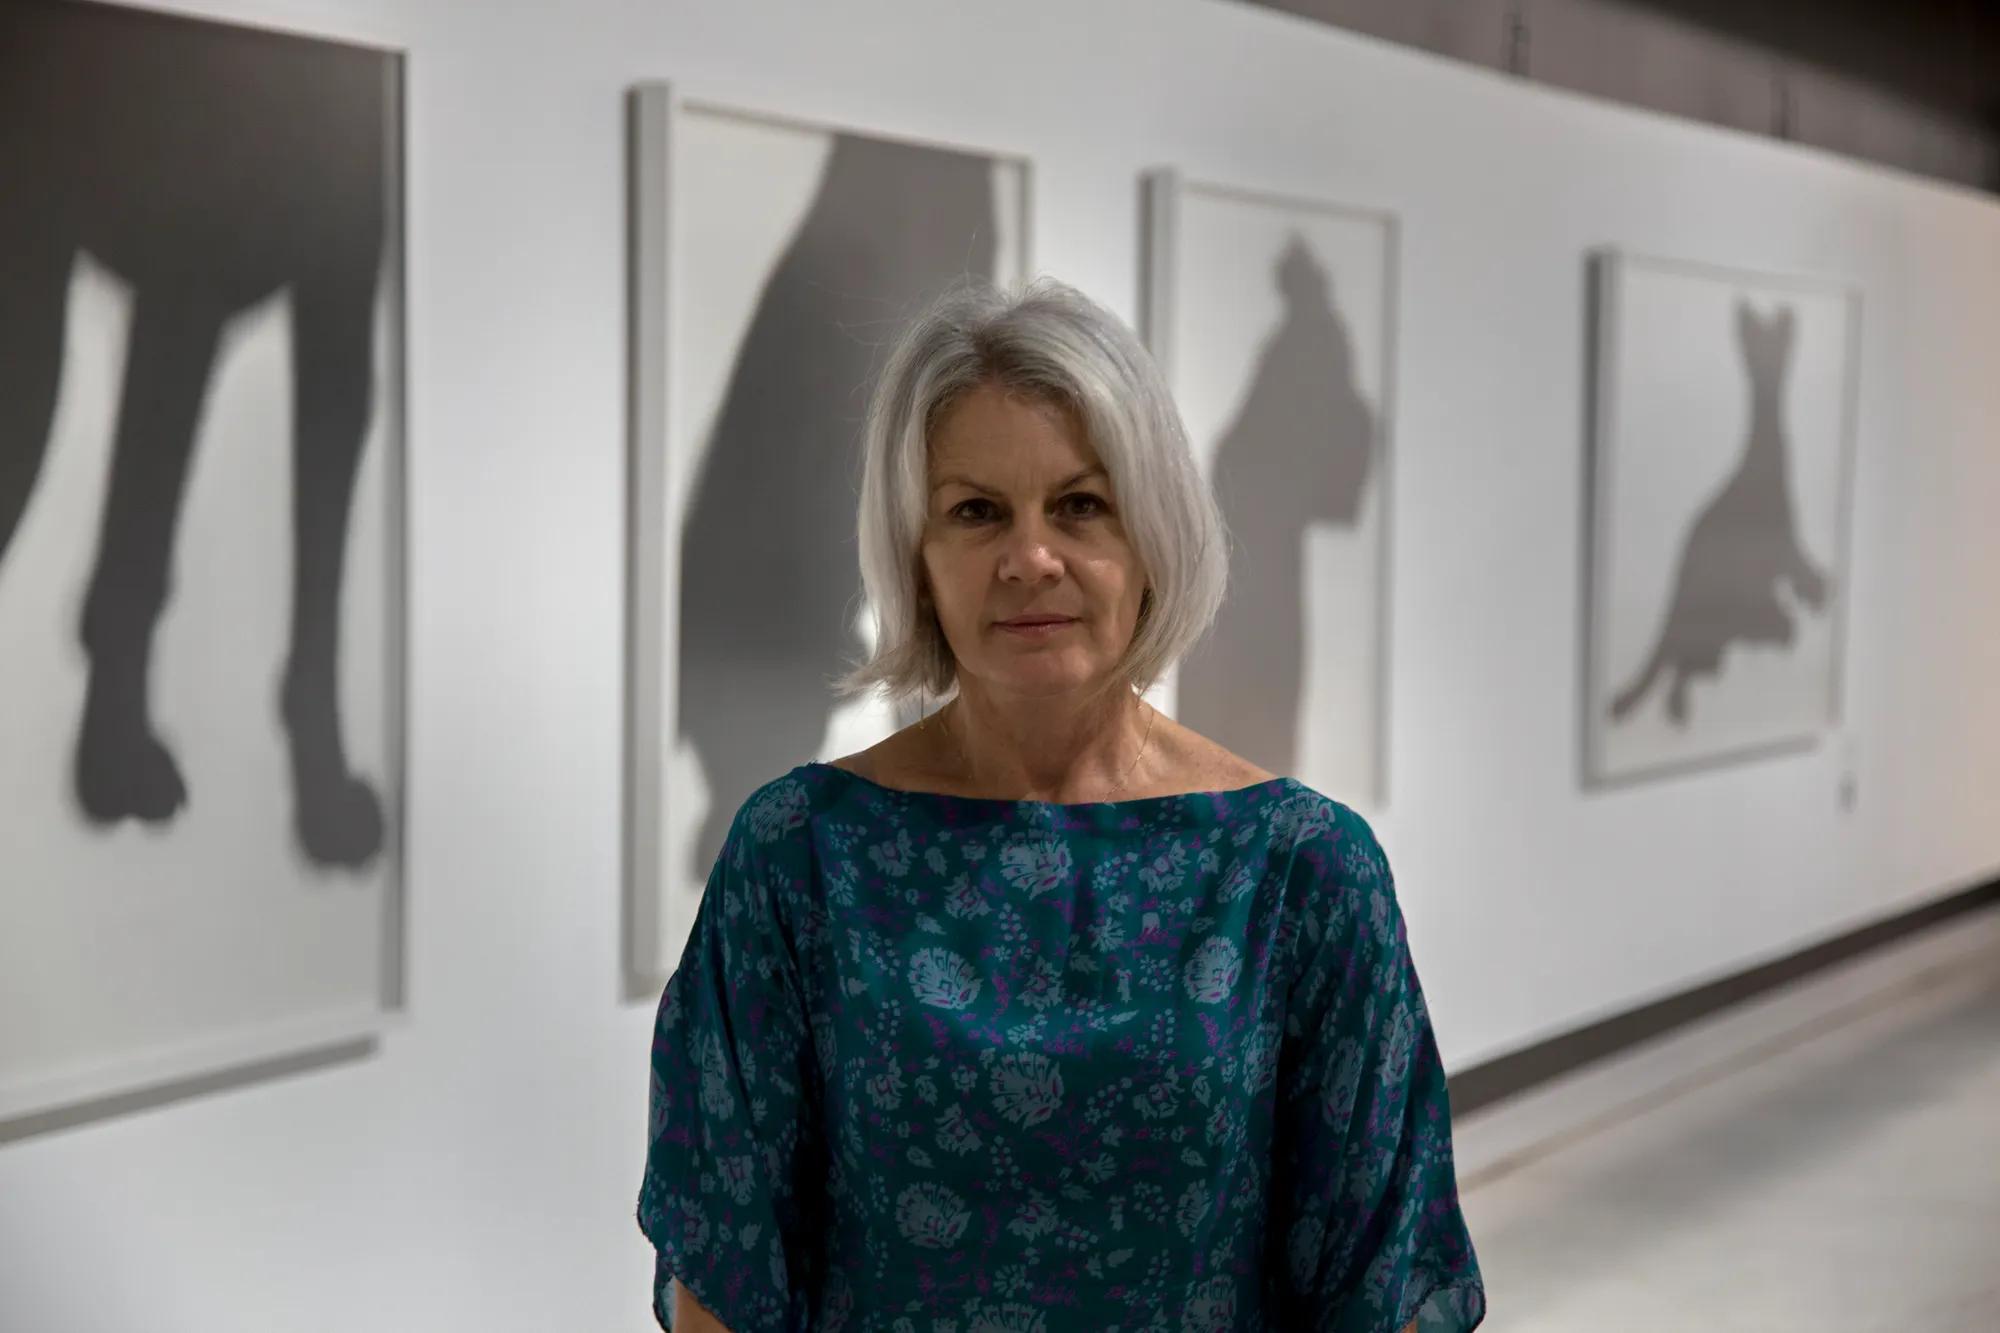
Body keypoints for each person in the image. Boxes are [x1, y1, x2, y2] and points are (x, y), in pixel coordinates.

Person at [636, 277, 1486, 1331]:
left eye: (1080, 505)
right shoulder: (799, 857)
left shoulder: (1300, 871)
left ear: (1152, 536)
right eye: (976, 511)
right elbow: (724, 1267)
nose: (1029, 558)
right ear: (917, 558)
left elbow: (1377, 1277)